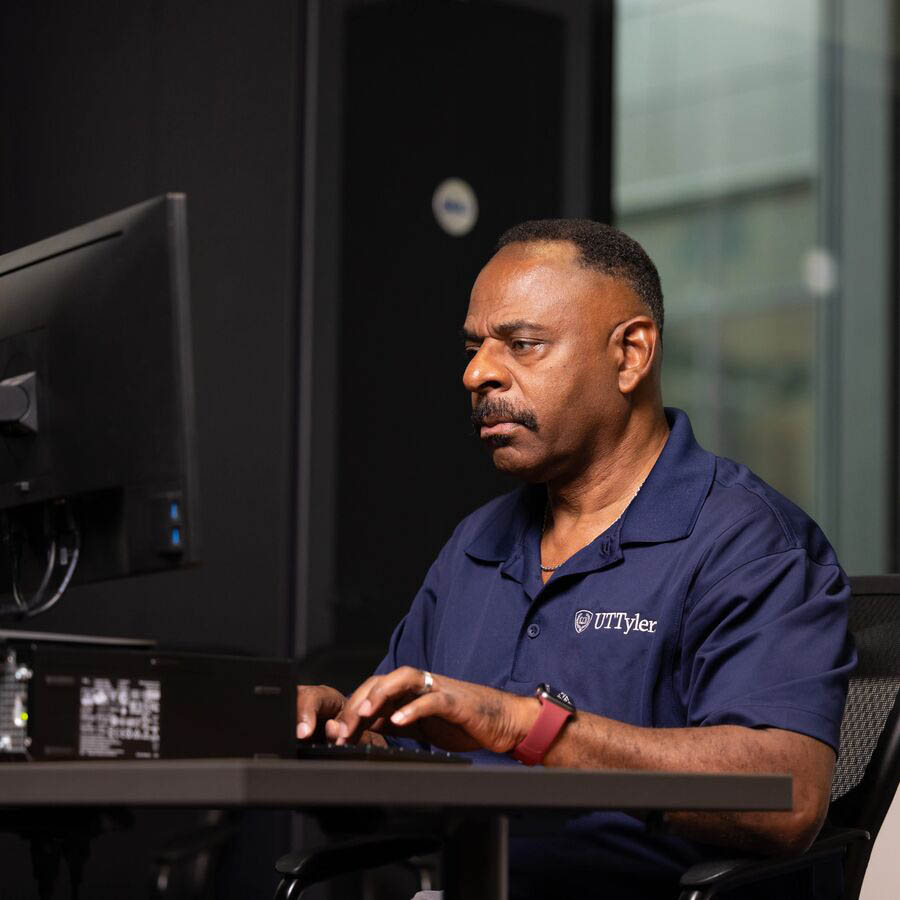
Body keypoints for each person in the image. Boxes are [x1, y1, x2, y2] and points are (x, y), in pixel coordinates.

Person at [296, 219, 855, 898]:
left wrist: (525, 727)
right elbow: (410, 762)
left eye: (522, 344)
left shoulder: (750, 543)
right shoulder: (477, 542)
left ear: (630, 354)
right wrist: (347, 742)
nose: (477, 373)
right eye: (474, 348)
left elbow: (788, 796)